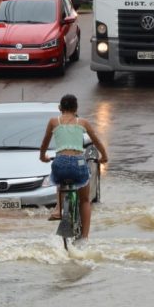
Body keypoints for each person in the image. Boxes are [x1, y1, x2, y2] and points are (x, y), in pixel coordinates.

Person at [39, 94, 108, 239]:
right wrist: (104, 156)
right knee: (85, 200)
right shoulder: (83, 122)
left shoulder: (53, 122)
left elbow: (45, 142)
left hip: (60, 162)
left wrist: (42, 156)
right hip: (78, 163)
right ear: (76, 108)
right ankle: (85, 237)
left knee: (58, 177)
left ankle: (58, 209)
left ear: (60, 108)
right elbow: (96, 141)